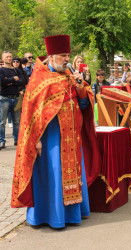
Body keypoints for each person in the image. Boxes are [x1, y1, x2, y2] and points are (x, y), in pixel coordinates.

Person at [11, 35, 100, 229]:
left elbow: (84, 104)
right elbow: (31, 115)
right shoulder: (40, 79)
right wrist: (35, 140)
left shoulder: (70, 76)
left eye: (68, 54)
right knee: (52, 176)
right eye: (62, 55)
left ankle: (73, 214)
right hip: (50, 140)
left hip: (72, 139)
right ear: (51, 57)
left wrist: (80, 87)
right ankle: (50, 216)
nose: (66, 59)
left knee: (71, 176)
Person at [0, 51, 26, 149]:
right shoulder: (1, 70)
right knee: (2, 122)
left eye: (10, 56)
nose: (9, 58)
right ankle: (2, 141)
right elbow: (2, 81)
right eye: (7, 57)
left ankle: (17, 140)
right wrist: (13, 79)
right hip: (4, 98)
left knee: (17, 121)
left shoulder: (16, 70)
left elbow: (22, 81)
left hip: (15, 98)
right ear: (3, 58)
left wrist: (10, 81)